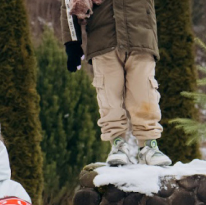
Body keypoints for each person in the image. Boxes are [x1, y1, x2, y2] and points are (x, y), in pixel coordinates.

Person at [70, 0, 174, 166]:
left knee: (144, 93)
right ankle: (118, 144)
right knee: (109, 96)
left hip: (140, 35)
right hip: (102, 38)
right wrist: (72, 41)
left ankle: (148, 145)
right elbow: (68, 4)